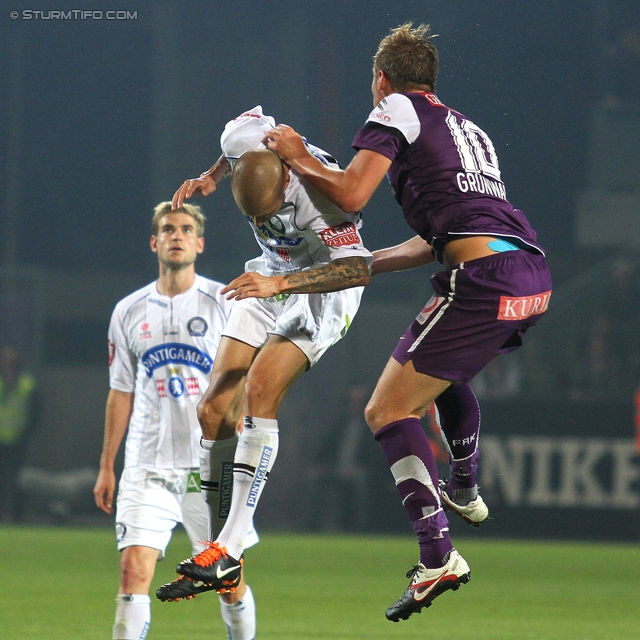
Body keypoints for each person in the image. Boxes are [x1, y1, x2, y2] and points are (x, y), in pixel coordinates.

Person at [264, 23, 552, 621]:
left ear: (382, 78)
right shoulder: (467, 129)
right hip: (525, 271)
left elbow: (351, 194)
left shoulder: (396, 107)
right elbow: (445, 234)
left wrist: (294, 156)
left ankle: (438, 554)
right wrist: (368, 262)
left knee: (385, 410)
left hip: (480, 282)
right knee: (438, 375)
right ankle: (465, 484)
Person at [160, 106, 372, 597]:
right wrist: (212, 174)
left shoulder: (322, 196)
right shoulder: (242, 139)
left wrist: (281, 281)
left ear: (284, 181)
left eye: (269, 212)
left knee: (259, 390)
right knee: (212, 410)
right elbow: (230, 153)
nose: (261, 220)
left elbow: (358, 270)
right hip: (269, 277)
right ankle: (213, 550)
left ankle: (230, 549)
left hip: (323, 287)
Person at [93, 201, 258, 640]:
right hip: (147, 465)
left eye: (186, 229)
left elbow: (247, 376)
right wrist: (108, 464)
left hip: (211, 468)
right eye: (168, 228)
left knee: (227, 581)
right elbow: (120, 390)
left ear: (199, 243)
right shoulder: (128, 311)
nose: (177, 235)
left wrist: (243, 431)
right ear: (155, 242)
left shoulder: (224, 303)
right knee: (132, 571)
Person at [0, 346, 38, 522]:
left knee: (19, 480)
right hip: (1, 439)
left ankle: (17, 516)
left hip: (18, 440)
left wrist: (27, 434)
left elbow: (35, 412)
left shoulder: (26, 383)